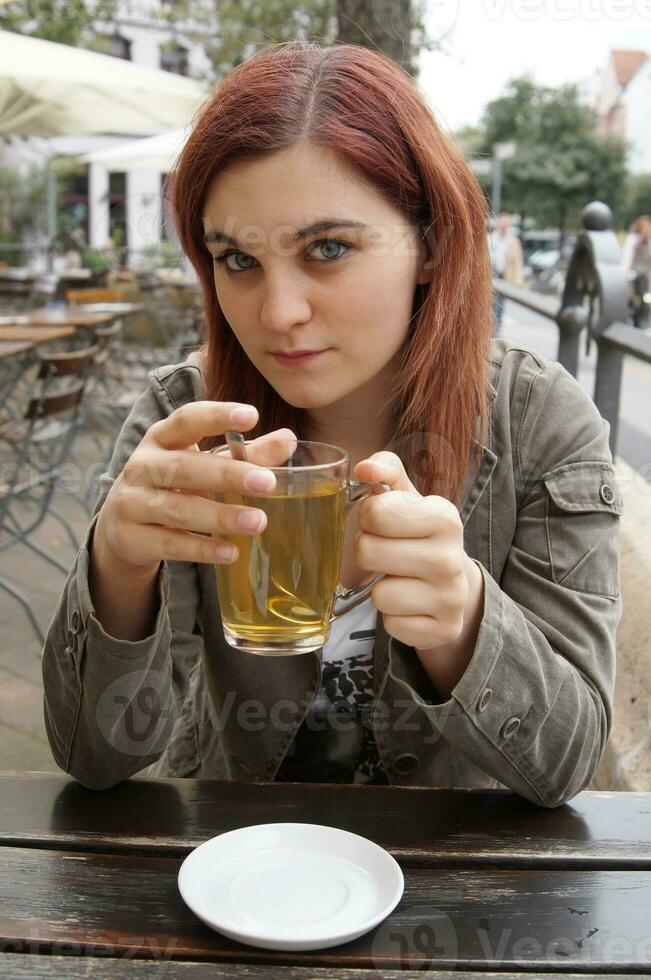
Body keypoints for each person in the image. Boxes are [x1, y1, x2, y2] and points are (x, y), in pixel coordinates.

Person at [42, 40, 622, 806]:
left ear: (430, 243)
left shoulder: (539, 421)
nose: (277, 314)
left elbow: (566, 766)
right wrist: (115, 570)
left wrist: (464, 624)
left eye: (327, 248)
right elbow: (96, 759)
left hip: (460, 893)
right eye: (237, 260)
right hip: (229, 873)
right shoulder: (186, 421)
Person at [488, 213, 524, 336]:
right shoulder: (491, 237)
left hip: (504, 276)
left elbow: (517, 262)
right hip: (491, 275)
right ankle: (490, 329)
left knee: (500, 305)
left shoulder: (513, 241)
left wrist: (518, 281)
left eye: (506, 223)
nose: (504, 225)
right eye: (502, 222)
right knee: (490, 304)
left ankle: (496, 331)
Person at [621, 215, 651, 329]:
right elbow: (627, 259)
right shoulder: (633, 239)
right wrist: (624, 274)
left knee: (646, 300)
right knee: (630, 298)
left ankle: (644, 324)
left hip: (646, 278)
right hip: (632, 276)